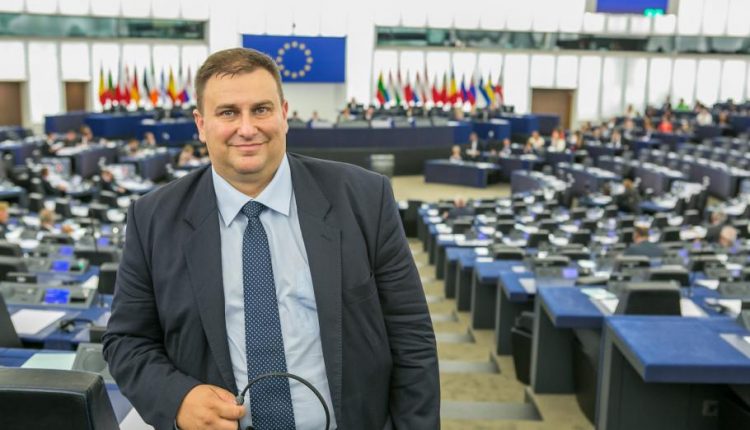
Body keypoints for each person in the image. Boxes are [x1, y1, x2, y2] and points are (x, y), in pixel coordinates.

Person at [103, 47, 439, 430]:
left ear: (284, 113)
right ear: (201, 124)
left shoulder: (364, 198)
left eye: (261, 109)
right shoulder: (153, 218)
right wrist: (176, 398)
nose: (247, 128)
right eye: (228, 112)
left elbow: (411, 335)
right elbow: (126, 341)